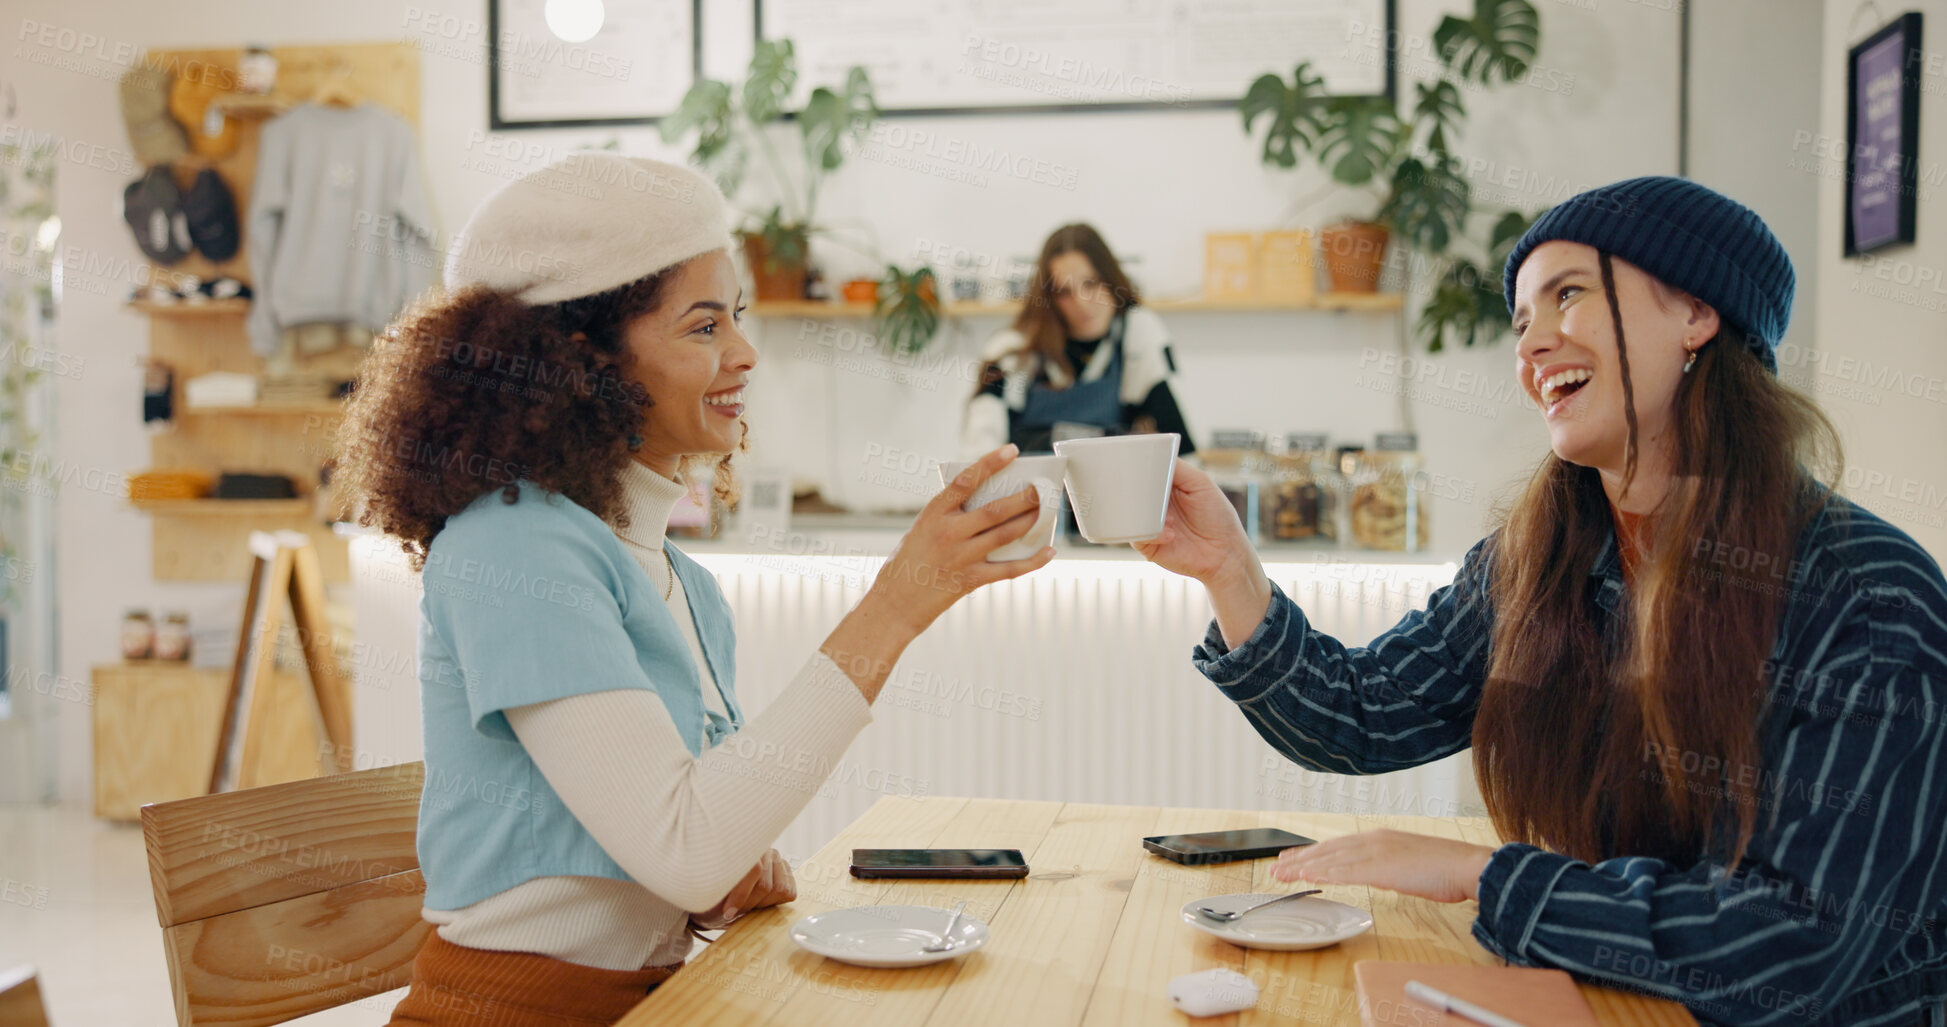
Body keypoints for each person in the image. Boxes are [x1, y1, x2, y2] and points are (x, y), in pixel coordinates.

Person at [1136, 177, 1947, 1026]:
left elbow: (1786, 946)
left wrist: (1486, 875)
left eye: (1569, 295)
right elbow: (1362, 713)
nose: (1531, 346)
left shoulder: (1867, 597)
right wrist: (1229, 569)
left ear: (1697, 315)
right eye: (1521, 322)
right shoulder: (1540, 557)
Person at [337, 154, 1053, 1026]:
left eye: (738, 319)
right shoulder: (513, 541)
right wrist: (895, 605)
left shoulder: (682, 582)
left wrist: (723, 877)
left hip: (664, 1001)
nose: (745, 353)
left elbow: (685, 849)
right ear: (580, 360)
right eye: (703, 326)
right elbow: (686, 848)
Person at [962, 223, 1195, 458]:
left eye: (1091, 284)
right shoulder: (1014, 347)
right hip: (1031, 491)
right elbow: (981, 449)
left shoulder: (1137, 333)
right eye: (1064, 292)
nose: (1081, 304)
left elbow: (1179, 445)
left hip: (1109, 489)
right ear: (1049, 296)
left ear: (1111, 278)